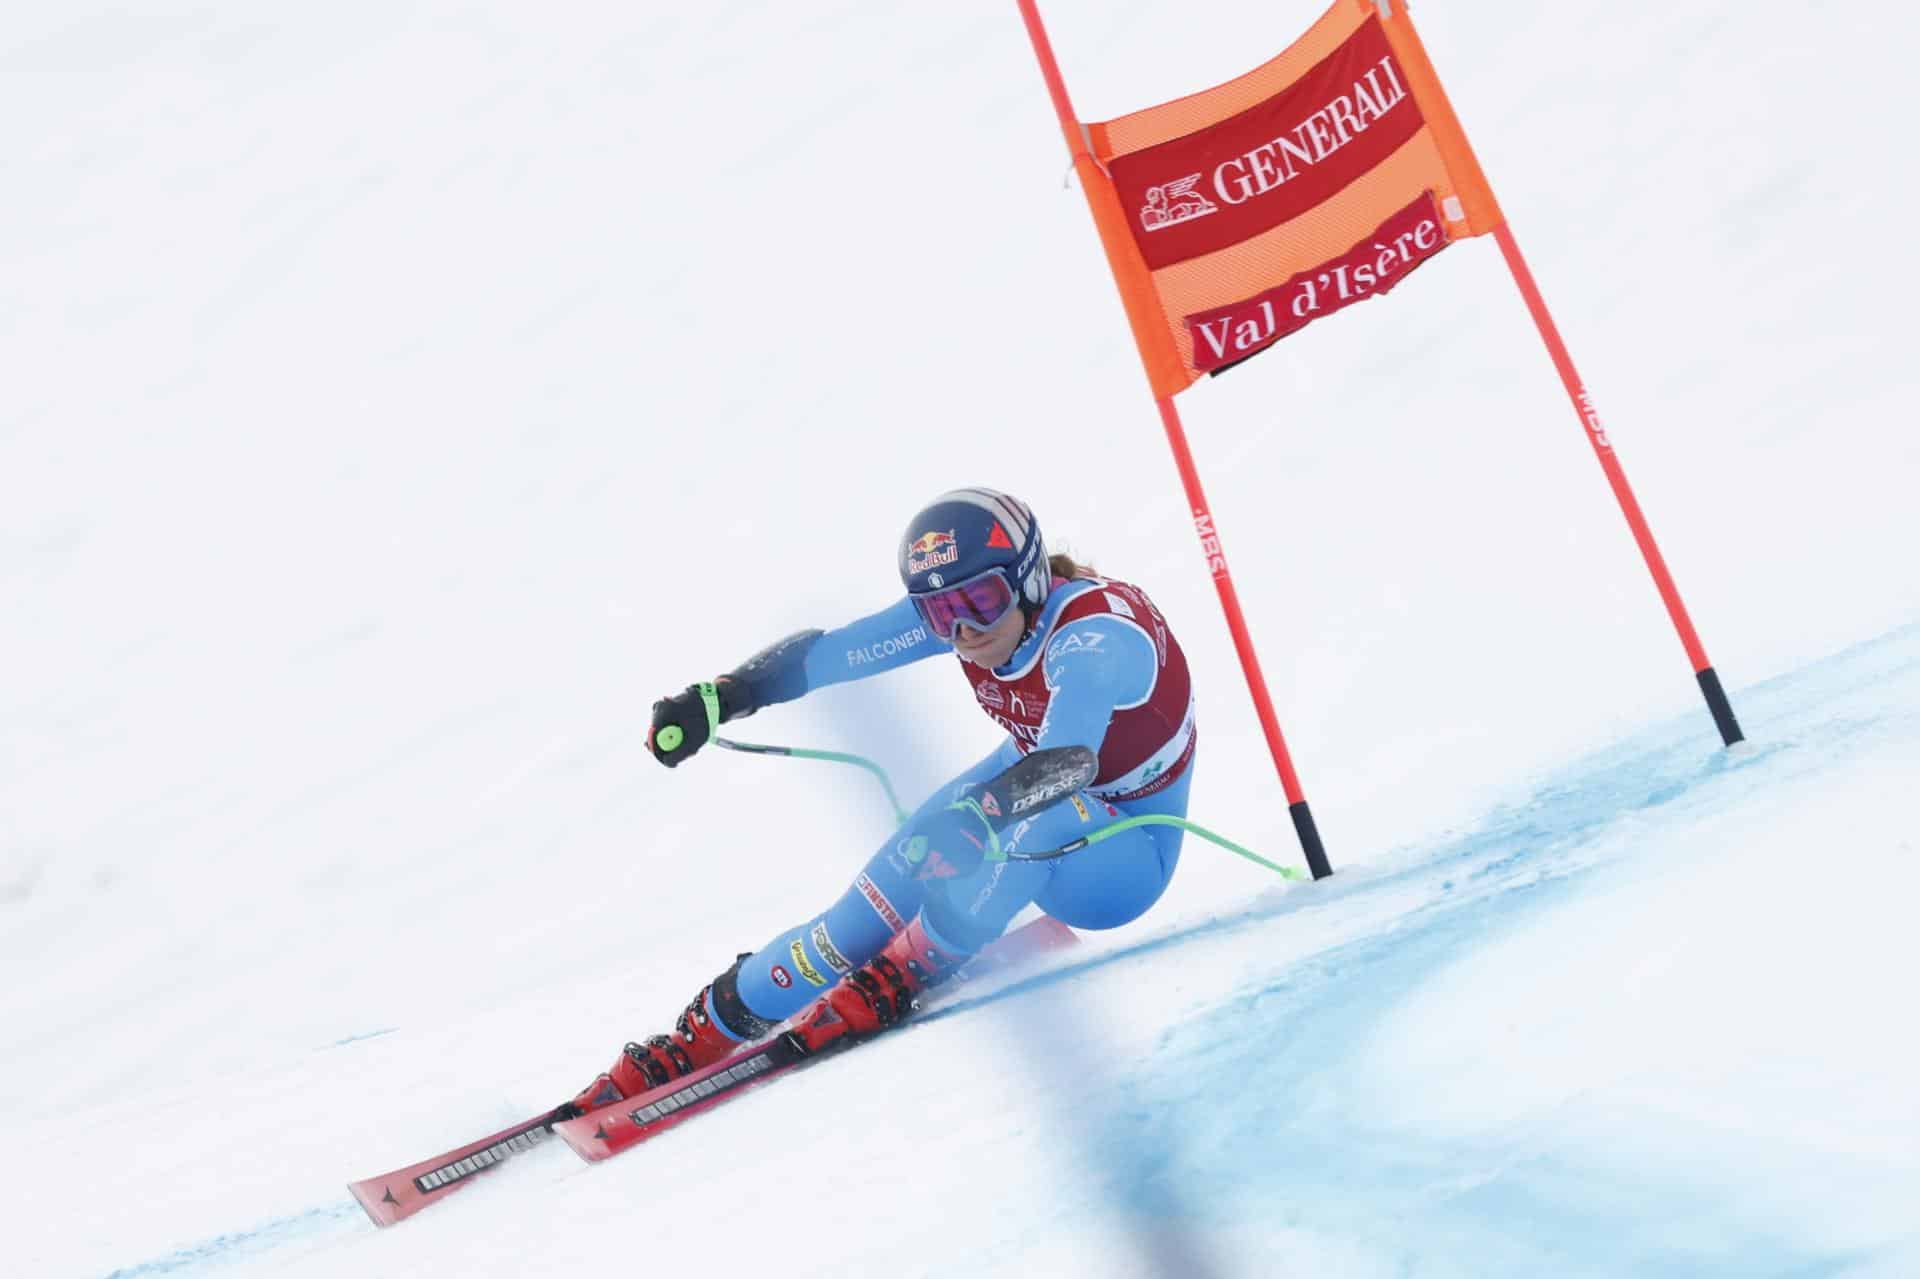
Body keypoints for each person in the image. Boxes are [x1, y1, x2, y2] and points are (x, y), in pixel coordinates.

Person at [563, 487, 1197, 1115]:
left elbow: (1068, 762)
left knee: (1021, 826)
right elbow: (831, 655)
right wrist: (721, 697)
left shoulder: (1094, 638)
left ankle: (915, 964)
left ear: (1029, 581)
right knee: (861, 914)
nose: (964, 629)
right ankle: (712, 1027)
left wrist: (980, 819)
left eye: (982, 600)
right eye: (941, 611)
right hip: (1024, 791)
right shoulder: (961, 619)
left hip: (1125, 851)